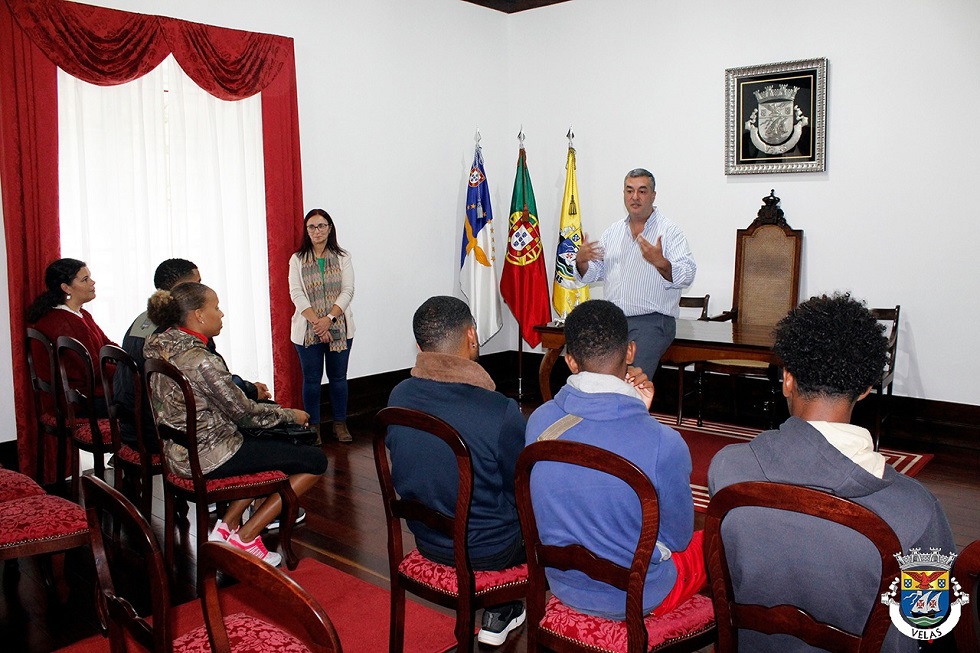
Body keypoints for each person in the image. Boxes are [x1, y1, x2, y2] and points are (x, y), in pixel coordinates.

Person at [707, 293, 955, 652]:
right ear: (867, 388)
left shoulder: (729, 469)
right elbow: (929, 623)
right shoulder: (916, 510)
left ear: (787, 380)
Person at [525, 299, 703, 620]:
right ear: (631, 351)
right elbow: (678, 539)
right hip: (638, 594)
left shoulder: (540, 422)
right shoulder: (664, 442)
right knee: (712, 543)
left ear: (570, 362)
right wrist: (640, 418)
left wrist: (636, 413)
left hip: (563, 584)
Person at [144, 282, 327, 566]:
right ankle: (248, 536)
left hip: (180, 451)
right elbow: (244, 412)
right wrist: (292, 414)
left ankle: (225, 529)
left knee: (271, 447)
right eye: (215, 307)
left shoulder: (160, 347)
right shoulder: (200, 360)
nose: (222, 314)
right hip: (210, 455)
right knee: (314, 461)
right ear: (198, 315)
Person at [386, 296, 526, 646]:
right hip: (491, 550)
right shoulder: (499, 410)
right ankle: (502, 605)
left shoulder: (398, 395)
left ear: (419, 346)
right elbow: (522, 489)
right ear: (472, 336)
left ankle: (502, 606)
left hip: (428, 542)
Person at [115, 259, 271, 452]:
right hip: (164, 434)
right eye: (197, 283)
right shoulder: (180, 329)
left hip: (133, 424)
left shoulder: (144, 319)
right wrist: (251, 390)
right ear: (183, 289)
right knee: (266, 416)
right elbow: (211, 383)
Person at [574, 169, 696, 375]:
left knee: (631, 381)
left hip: (653, 322)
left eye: (642, 191)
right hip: (614, 322)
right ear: (623, 194)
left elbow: (688, 274)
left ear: (653, 195)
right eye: (629, 191)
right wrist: (581, 261)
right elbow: (596, 272)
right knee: (594, 376)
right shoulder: (613, 232)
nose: (635, 197)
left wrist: (661, 262)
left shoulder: (669, 231)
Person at [289, 209, 355, 444]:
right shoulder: (297, 259)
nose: (317, 231)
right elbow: (296, 293)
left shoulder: (343, 256)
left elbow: (348, 291)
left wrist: (330, 319)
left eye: (321, 226)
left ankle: (340, 424)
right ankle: (313, 426)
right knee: (312, 380)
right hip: (307, 330)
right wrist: (318, 323)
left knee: (338, 378)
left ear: (330, 228)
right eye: (311, 227)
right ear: (306, 231)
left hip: (340, 327)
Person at [27, 258, 116, 417]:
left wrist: (126, 359)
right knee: (144, 400)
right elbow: (94, 370)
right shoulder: (65, 322)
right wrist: (130, 369)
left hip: (86, 394)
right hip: (82, 401)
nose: (93, 282)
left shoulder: (80, 315)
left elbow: (107, 344)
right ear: (66, 288)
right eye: (85, 279)